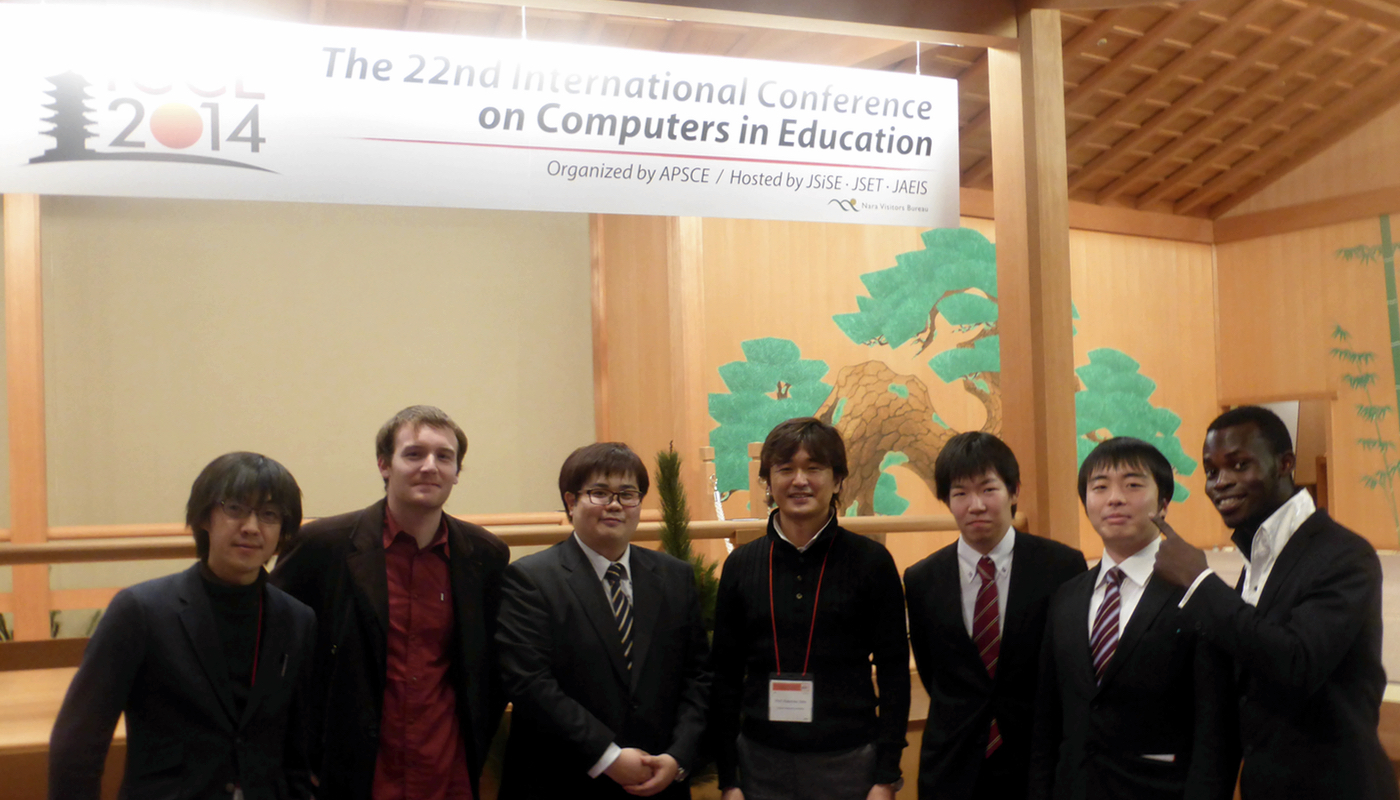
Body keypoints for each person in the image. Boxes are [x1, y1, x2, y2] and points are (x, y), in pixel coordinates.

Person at [1154, 405, 1398, 800]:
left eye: (1239, 465)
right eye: (1212, 472)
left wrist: (1199, 583)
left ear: (1285, 464)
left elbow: (1296, 662)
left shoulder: (1344, 554)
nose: (1221, 483)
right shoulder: (1257, 558)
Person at [270, 405, 510, 800]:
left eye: (444, 456)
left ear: (456, 472)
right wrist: (301, 759)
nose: (430, 466)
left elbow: (492, 670)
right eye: (414, 454)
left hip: (446, 771)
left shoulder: (485, 556)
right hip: (350, 774)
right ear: (384, 464)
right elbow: (278, 658)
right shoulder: (321, 546)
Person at [49, 452, 316, 800]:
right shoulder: (140, 611)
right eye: (235, 508)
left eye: (269, 514)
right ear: (205, 517)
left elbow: (297, 753)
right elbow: (79, 742)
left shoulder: (296, 619)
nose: (251, 526)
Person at [708, 417, 909, 800]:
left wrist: (886, 777)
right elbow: (725, 675)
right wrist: (729, 780)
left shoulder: (871, 562)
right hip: (760, 764)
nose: (799, 481)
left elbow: (894, 672)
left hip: (850, 762)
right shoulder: (741, 565)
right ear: (769, 483)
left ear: (837, 481)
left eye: (814, 468)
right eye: (785, 469)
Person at [495, 442, 711, 799]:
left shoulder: (675, 577)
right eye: (599, 493)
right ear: (571, 501)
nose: (615, 504)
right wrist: (607, 756)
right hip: (563, 779)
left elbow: (698, 676)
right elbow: (530, 683)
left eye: (628, 494)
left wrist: (678, 756)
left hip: (659, 778)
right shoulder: (530, 579)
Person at [1029, 437, 1236, 800]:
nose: (1115, 498)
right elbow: (1048, 719)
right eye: (1100, 487)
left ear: (1164, 503)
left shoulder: (1197, 594)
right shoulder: (1066, 598)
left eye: (1133, 485)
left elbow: (1215, 729)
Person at [904, 431, 1086, 799]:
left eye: (988, 489)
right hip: (952, 766)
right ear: (946, 500)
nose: (976, 505)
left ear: (1014, 491)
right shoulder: (922, 579)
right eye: (960, 493)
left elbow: (1069, 665)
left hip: (1036, 762)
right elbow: (934, 671)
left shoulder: (1061, 566)